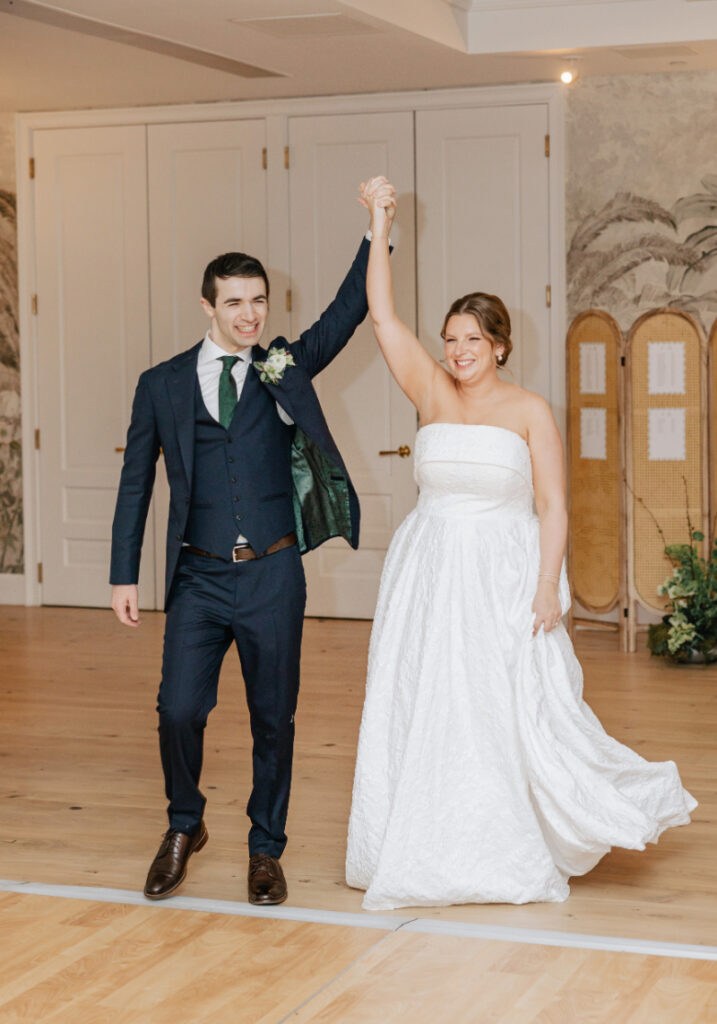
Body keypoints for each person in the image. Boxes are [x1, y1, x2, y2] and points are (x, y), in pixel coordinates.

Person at [345, 181, 697, 911]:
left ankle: (506, 838)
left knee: (499, 708)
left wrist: (546, 584)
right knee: (429, 700)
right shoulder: (429, 392)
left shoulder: (529, 409)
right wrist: (379, 221)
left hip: (502, 571)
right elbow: (379, 315)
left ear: (499, 345)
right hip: (429, 572)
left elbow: (553, 504)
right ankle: (418, 838)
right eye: (449, 338)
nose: (457, 349)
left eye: (472, 339)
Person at [110, 177, 396, 906]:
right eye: (234, 302)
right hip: (198, 580)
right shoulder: (162, 384)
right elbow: (136, 482)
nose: (249, 313)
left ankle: (265, 849)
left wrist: (376, 225)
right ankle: (184, 824)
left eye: (258, 300)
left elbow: (347, 311)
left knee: (275, 720)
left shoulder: (280, 366)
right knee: (178, 709)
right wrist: (123, 575)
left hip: (272, 575)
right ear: (207, 306)